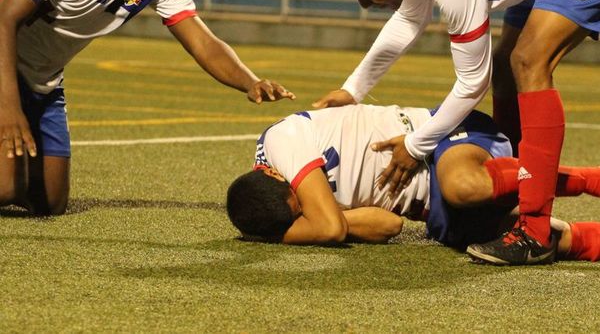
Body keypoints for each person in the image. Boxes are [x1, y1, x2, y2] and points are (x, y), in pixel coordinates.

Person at [312, 0, 600, 264]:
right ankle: (512, 197)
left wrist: (416, 146)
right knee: (506, 71)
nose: (366, 5)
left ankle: (534, 231)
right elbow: (409, 19)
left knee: (528, 62)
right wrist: (353, 89)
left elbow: (470, 84)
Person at [0, 0, 295, 216]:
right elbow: (3, 21)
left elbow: (203, 41)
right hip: (3, 64)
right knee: (7, 187)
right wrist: (8, 108)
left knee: (50, 203)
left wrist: (250, 82)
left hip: (44, 80)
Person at [227, 104, 600, 263]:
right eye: (299, 214)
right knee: (531, 239)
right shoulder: (280, 201)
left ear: (274, 174)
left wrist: (289, 233)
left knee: (462, 186)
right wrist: (315, 225)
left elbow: (327, 226)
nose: (305, 205)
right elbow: (388, 224)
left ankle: (589, 180)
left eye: (300, 203)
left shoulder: (280, 143)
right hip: (436, 211)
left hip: (445, 138)